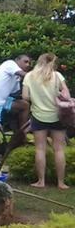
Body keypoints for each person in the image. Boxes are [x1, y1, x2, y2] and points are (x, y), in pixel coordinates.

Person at [23, 53, 71, 189]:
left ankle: (41, 181)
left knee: (40, 149)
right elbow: (66, 95)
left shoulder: (29, 76)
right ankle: (61, 183)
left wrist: (36, 98)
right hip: (57, 116)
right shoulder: (57, 76)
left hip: (38, 116)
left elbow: (25, 96)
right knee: (59, 150)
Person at [0, 53, 33, 172]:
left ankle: (21, 132)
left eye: (29, 63)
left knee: (24, 105)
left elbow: (16, 93)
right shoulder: (10, 64)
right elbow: (25, 75)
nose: (28, 65)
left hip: (3, 100)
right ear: (17, 60)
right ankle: (21, 135)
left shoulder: (17, 77)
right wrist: (40, 76)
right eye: (25, 62)